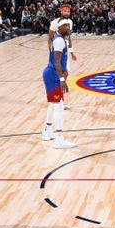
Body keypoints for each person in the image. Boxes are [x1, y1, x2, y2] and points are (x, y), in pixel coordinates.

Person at [42, 20, 76, 148]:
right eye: (64, 26)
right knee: (59, 106)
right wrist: (62, 80)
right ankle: (59, 139)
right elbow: (56, 61)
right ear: (58, 28)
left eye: (68, 25)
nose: (67, 27)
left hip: (53, 74)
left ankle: (47, 131)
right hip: (53, 75)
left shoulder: (62, 39)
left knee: (53, 105)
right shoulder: (59, 41)